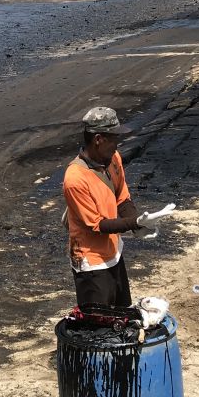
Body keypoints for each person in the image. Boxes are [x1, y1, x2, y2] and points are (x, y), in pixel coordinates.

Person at [62, 107, 174, 309]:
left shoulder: (113, 159)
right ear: (98, 139)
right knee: (98, 327)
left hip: (114, 252)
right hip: (91, 262)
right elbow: (97, 225)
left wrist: (138, 226)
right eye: (114, 138)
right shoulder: (75, 178)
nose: (117, 144)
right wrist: (135, 222)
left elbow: (122, 197)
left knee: (122, 315)